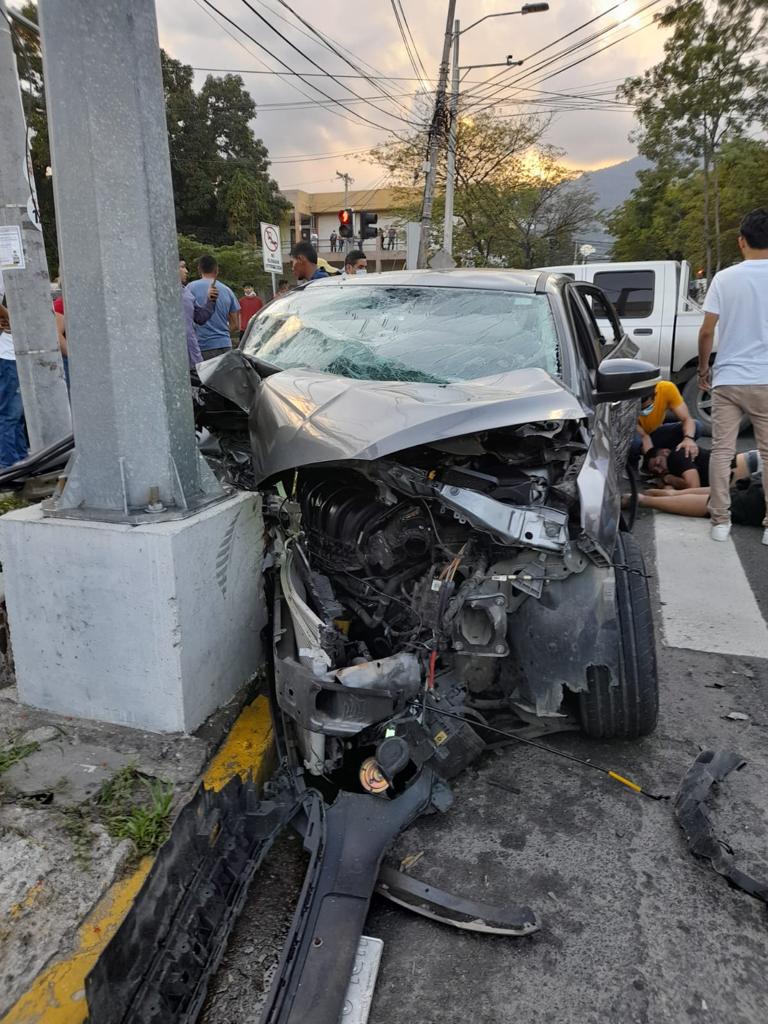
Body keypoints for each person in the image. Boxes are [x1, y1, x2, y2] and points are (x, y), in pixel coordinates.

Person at [698, 207, 768, 544]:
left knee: (722, 451)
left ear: (742, 241)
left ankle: (720, 522)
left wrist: (703, 368)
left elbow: (706, 332)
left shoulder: (724, 278)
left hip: (729, 379)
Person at [638, 451, 765, 538]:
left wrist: (668, 480)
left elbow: (694, 485)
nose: (660, 470)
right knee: (721, 499)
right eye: (656, 471)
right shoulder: (679, 456)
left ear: (665, 452)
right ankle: (648, 499)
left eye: (658, 463)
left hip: (755, 466)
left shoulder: (678, 455)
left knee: (720, 499)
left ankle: (648, 499)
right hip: (754, 467)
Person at [630, 380, 700, 467]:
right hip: (633, 433)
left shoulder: (666, 388)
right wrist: (644, 437)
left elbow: (687, 419)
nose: (643, 411)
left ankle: (672, 464)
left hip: (654, 432)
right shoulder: (627, 396)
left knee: (696, 426)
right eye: (640, 409)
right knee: (634, 441)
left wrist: (688, 439)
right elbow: (628, 427)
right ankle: (632, 469)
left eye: (647, 407)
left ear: (655, 395)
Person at [186, 255, 239, 359]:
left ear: (199, 269)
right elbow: (235, 325)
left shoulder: (189, 288)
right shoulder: (227, 291)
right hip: (225, 345)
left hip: (202, 347)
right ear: (217, 269)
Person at [0, 303, 28, 468]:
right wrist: (11, 316)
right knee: (9, 416)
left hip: (14, 356)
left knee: (16, 417)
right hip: (9, 357)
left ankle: (20, 462)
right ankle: (10, 466)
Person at [179, 259, 216, 367]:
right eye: (182, 267)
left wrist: (211, 299)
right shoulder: (160, 292)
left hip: (193, 355)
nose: (186, 271)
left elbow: (200, 318)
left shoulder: (186, 291)